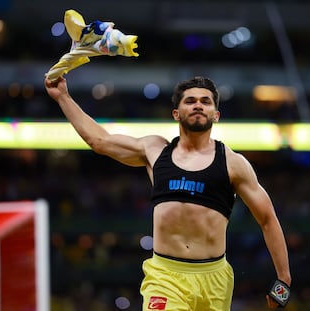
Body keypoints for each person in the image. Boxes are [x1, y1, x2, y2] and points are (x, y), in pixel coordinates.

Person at [45, 75, 291, 310]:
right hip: (165, 276)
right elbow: (100, 141)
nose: (198, 106)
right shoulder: (155, 150)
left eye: (205, 102)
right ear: (176, 113)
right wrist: (63, 97)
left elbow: (268, 219)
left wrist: (284, 280)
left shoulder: (233, 163)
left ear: (216, 115)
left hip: (213, 279)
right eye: (190, 101)